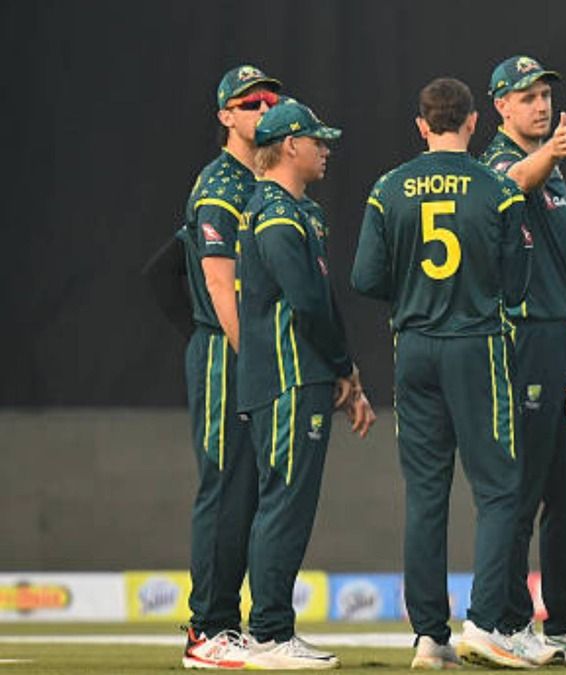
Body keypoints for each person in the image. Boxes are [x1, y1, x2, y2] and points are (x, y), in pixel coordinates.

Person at [350, 77, 533, 670]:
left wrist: (415, 291)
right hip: (475, 343)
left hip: (416, 346)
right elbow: (519, 280)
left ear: (422, 125)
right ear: (475, 122)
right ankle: (483, 622)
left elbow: (365, 279)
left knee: (426, 495)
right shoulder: (498, 188)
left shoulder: (388, 189)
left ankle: (430, 635)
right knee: (500, 488)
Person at [236, 99, 375, 670]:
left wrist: (347, 373)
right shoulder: (274, 212)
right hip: (289, 378)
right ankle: (268, 634)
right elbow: (307, 303)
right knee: (284, 505)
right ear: (289, 146)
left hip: (304, 375)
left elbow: (323, 301)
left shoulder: (299, 210)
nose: (326, 148)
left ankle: (273, 629)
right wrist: (342, 366)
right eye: (316, 140)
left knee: (288, 503)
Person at [478, 55, 566, 665]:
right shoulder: (503, 162)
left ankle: (565, 620)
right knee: (521, 489)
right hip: (521, 341)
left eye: (546, 93)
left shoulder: (551, 169)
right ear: (500, 105)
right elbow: (505, 187)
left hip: (563, 335)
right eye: (526, 96)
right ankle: (506, 618)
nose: (541, 103)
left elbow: (557, 256)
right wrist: (548, 154)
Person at [178, 64, 280, 670]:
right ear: (225, 116)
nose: (261, 112)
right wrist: (257, 361)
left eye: (269, 101)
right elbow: (221, 288)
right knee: (225, 487)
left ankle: (229, 622)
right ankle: (208, 627)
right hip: (226, 350)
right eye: (248, 105)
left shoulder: (260, 179)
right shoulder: (221, 185)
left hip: (249, 349)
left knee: (248, 492)